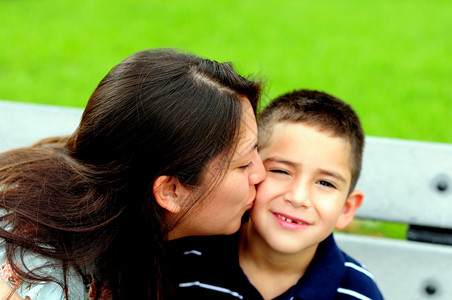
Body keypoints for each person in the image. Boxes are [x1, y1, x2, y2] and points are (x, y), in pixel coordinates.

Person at [0, 48, 266, 299]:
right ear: (170, 191)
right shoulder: (36, 281)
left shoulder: (107, 204)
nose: (261, 173)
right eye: (243, 165)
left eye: (258, 150)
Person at [171, 89, 384, 299]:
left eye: (325, 183)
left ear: (347, 209)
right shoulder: (184, 261)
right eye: (281, 171)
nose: (298, 197)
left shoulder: (359, 293)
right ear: (251, 171)